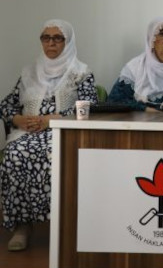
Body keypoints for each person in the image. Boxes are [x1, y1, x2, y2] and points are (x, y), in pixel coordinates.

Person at [0, 20, 98, 251]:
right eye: (46, 37)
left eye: (57, 38)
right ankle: (22, 226)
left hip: (63, 131)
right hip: (26, 133)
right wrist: (17, 119)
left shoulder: (81, 73)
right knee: (14, 154)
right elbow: (6, 105)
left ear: (68, 42)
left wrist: (53, 119)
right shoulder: (29, 72)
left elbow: (89, 107)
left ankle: (63, 224)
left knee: (53, 154)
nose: (51, 43)